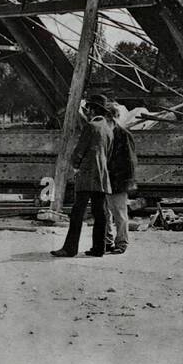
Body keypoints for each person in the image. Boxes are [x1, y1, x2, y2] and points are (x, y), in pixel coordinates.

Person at [51, 94, 115, 258]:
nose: (86, 112)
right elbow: (108, 154)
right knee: (100, 212)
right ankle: (99, 248)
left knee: (77, 212)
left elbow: (80, 150)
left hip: (87, 176)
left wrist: (75, 166)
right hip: (101, 177)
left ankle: (70, 248)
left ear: (93, 110)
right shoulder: (108, 129)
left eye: (88, 109)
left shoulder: (90, 126)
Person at [104, 104, 139, 254]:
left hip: (118, 181)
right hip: (105, 180)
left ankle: (121, 244)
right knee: (104, 212)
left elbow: (131, 161)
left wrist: (128, 182)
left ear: (111, 118)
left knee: (119, 214)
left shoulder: (124, 135)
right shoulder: (104, 134)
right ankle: (106, 242)